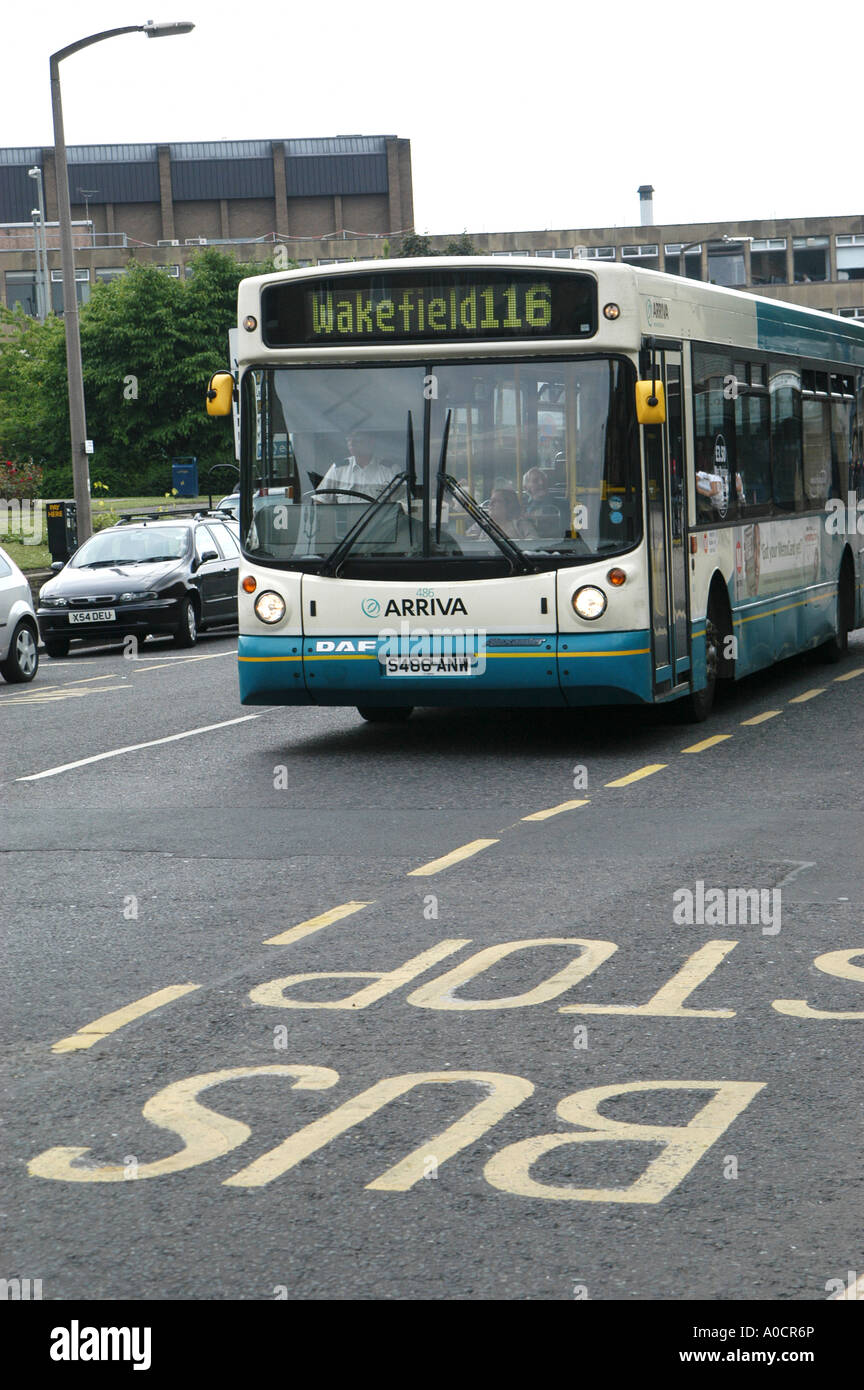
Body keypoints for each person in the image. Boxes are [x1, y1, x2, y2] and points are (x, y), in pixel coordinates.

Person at [317, 432, 395, 501]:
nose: (351, 443)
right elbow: (320, 501)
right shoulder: (338, 469)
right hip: (347, 518)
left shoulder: (390, 470)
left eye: (357, 438)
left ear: (371, 441)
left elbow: (403, 504)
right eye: (348, 439)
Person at [468, 488, 536, 540]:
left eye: (496, 501)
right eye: (490, 500)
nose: (490, 504)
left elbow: (534, 544)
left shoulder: (520, 524)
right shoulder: (481, 524)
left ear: (509, 505)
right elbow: (464, 540)